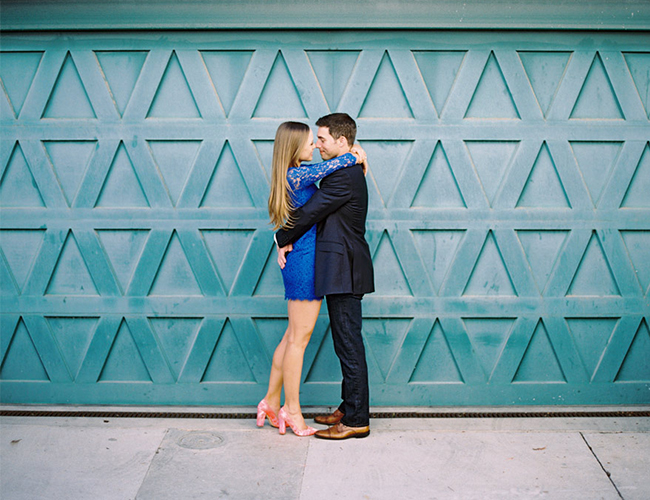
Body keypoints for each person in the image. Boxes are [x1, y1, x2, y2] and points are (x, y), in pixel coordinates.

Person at [257, 121, 367, 437]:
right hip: (304, 263)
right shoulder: (298, 173)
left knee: (292, 336)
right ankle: (291, 410)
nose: (315, 146)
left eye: (318, 140)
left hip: (304, 259)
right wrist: (356, 154)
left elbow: (320, 187)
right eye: (310, 142)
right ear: (294, 148)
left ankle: (271, 399)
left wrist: (354, 152)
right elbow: (335, 168)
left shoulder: (294, 173)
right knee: (298, 340)